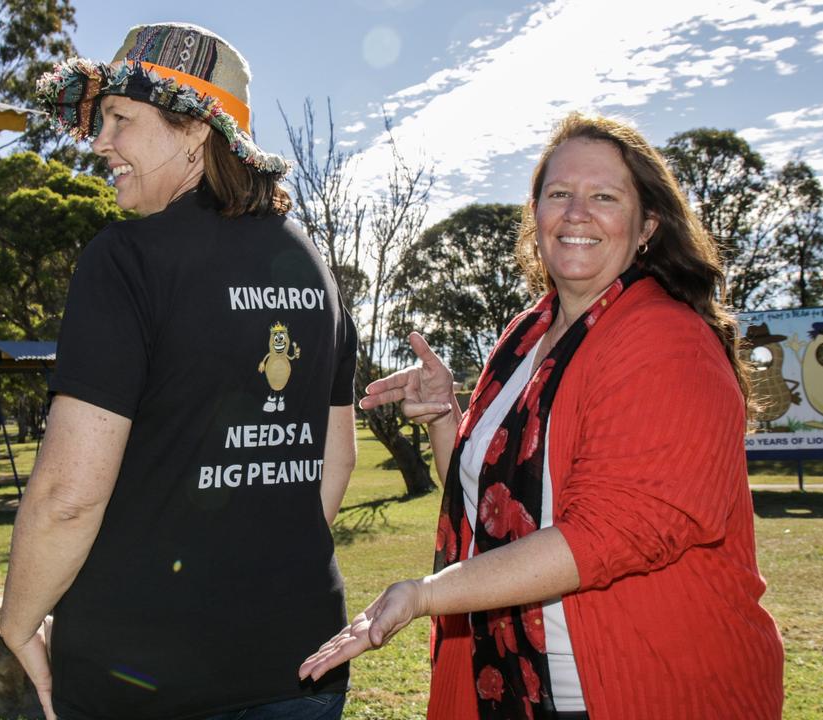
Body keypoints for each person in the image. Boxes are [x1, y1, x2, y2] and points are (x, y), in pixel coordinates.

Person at [299, 112, 785, 720]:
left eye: (604, 196)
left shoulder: (668, 342)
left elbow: (613, 532)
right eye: (559, 194)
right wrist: (446, 418)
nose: (577, 212)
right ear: (536, 215)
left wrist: (427, 595)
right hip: (511, 685)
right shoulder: (525, 335)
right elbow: (487, 506)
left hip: (642, 684)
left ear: (646, 227)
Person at [1, 22, 358, 720]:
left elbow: (68, 496)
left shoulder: (125, 258)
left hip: (143, 678)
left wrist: (18, 620)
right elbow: (335, 461)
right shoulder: (312, 264)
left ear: (194, 131)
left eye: (121, 120)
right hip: (299, 661)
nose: (100, 142)